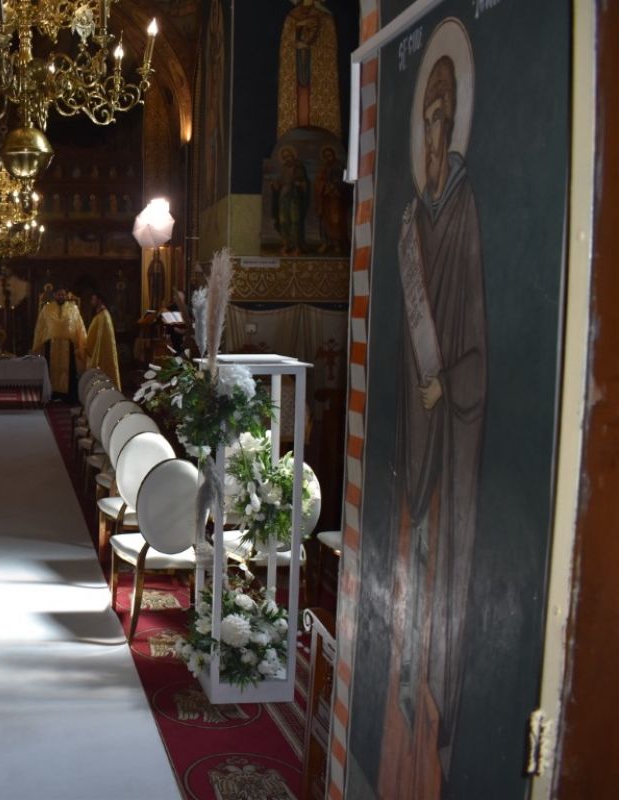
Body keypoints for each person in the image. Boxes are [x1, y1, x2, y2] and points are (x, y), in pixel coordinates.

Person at [378, 46, 486, 799]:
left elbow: (475, 337)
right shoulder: (412, 217)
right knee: (401, 598)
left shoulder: (463, 211)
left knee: (435, 576)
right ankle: (395, 753)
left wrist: (446, 382)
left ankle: (429, 746)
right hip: (414, 439)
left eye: (442, 120)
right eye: (425, 122)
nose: (433, 135)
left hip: (448, 441)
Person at [31, 288, 87, 402]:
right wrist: (38, 342)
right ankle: (52, 394)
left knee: (70, 372)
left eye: (63, 295)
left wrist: (83, 342)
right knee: (50, 370)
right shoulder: (47, 308)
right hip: (51, 344)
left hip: (68, 345)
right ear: (54, 295)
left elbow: (79, 326)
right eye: (58, 294)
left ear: (66, 296)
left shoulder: (73, 308)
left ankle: (69, 397)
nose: (61, 297)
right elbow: (40, 326)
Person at [83, 292, 121, 391]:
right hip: (95, 353)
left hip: (100, 357)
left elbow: (100, 341)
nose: (91, 302)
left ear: (99, 300)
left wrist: (95, 357)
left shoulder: (103, 316)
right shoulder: (100, 315)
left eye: (93, 299)